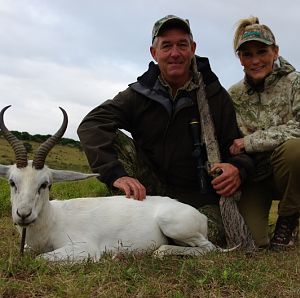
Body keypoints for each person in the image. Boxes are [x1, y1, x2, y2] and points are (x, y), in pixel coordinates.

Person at [77, 15, 254, 246]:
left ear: (193, 48)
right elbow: (91, 124)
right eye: (166, 46)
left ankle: (149, 233)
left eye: (182, 45)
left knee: (207, 236)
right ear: (154, 52)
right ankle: (131, 218)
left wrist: (237, 168)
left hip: (199, 199)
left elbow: (238, 145)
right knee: (115, 140)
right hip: (148, 192)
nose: (175, 53)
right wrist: (116, 175)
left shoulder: (215, 95)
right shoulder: (140, 93)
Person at [228, 16, 300, 250]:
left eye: (262, 51)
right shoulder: (234, 95)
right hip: (256, 177)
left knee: (294, 150)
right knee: (254, 241)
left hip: (289, 171)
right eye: (247, 54)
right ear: (240, 59)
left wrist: (250, 141)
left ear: (275, 51)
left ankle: (288, 218)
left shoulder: (294, 82)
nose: (255, 60)